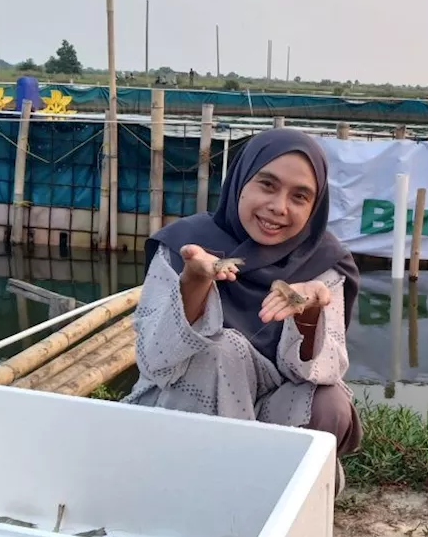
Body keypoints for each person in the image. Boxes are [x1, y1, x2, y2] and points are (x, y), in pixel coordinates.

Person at [123, 127, 363, 494]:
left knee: (330, 403)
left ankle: (281, 495)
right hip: (187, 406)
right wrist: (194, 282)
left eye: (300, 196)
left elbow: (328, 369)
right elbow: (156, 361)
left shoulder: (325, 263)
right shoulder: (183, 246)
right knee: (220, 352)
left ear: (315, 207)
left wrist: (308, 313)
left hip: (271, 405)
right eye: (267, 185)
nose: (279, 207)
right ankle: (204, 488)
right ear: (240, 182)